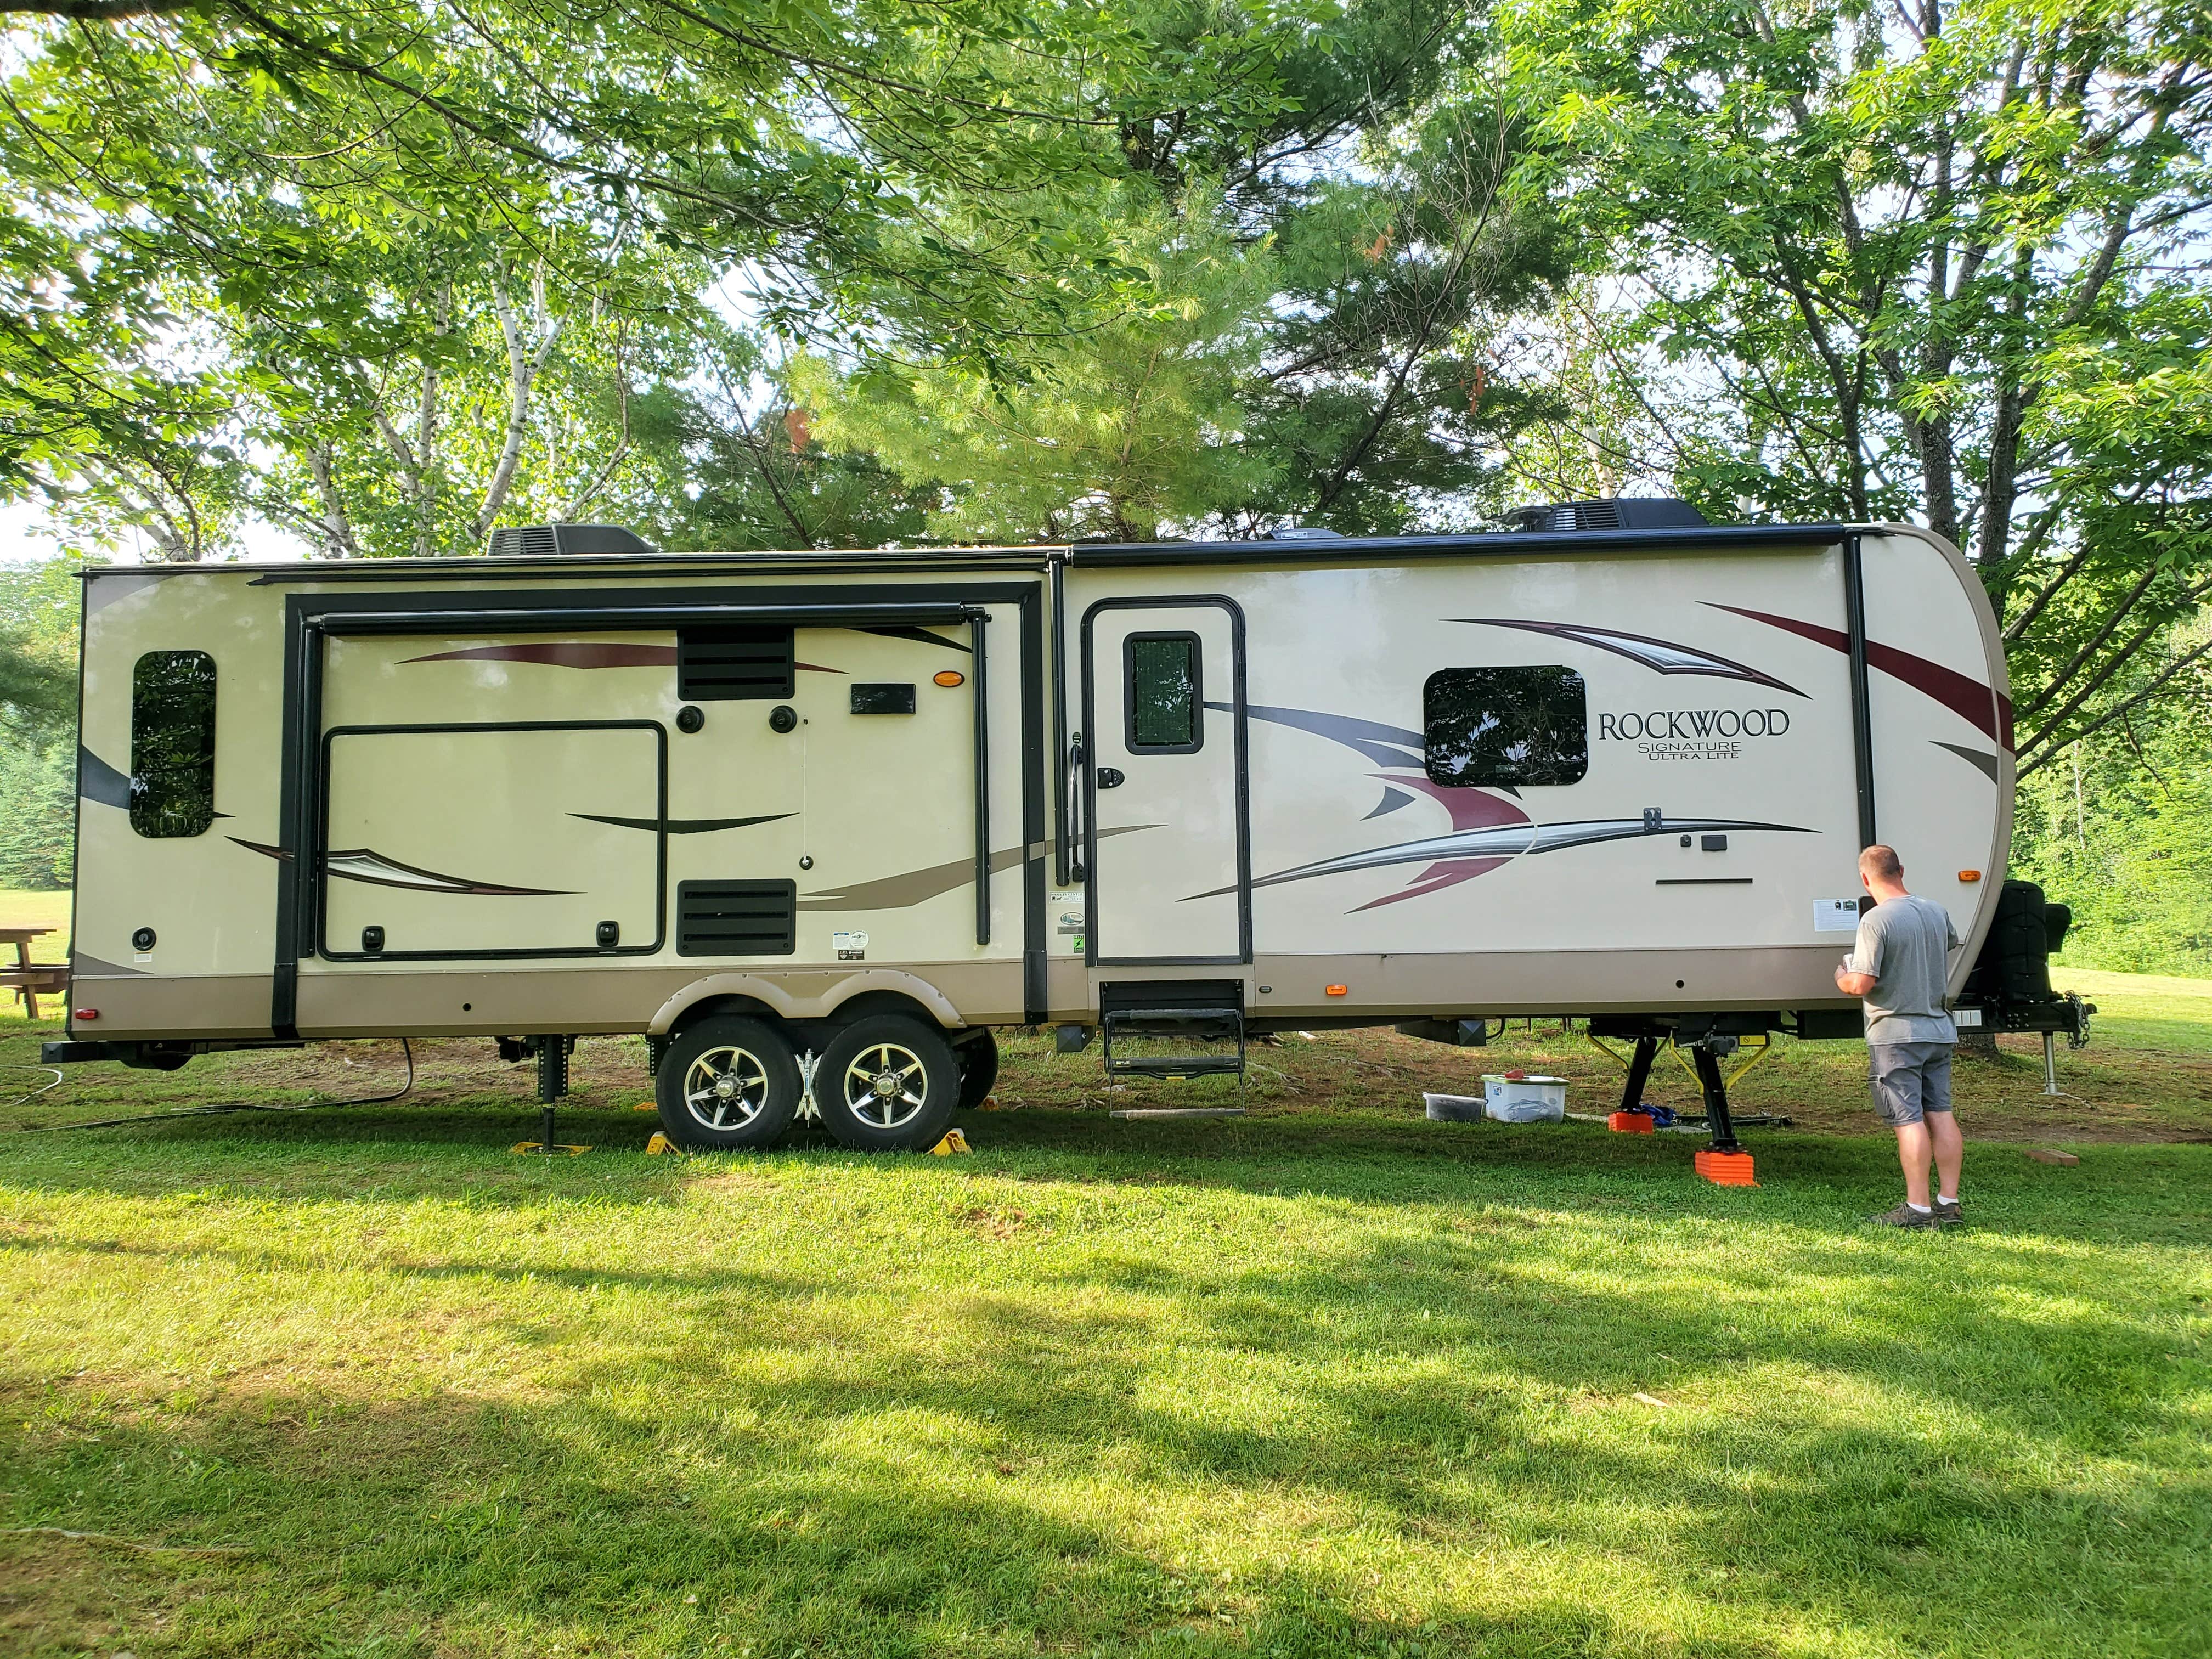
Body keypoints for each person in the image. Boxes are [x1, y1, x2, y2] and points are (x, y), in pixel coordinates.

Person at [1835, 845, 1964, 1228]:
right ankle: (1948, 1203)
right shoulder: (1935, 911)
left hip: (1896, 1035)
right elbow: (1948, 943)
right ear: (1901, 870)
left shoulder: (1876, 920)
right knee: (1940, 1114)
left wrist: (1842, 976)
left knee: (1908, 1121)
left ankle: (1917, 1210)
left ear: (1865, 879)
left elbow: (1862, 983)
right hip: (1939, 1030)